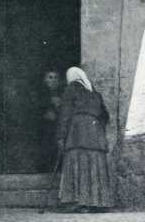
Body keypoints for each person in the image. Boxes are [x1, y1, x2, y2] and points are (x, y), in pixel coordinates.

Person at [56, 67, 113, 212]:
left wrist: (61, 136)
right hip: (95, 134)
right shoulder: (95, 93)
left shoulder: (71, 89)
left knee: (77, 161)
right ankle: (96, 202)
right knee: (94, 164)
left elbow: (65, 114)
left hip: (77, 132)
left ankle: (78, 202)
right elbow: (105, 116)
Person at [38, 70, 64, 172]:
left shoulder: (63, 93)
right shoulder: (39, 94)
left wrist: (59, 107)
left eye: (55, 77)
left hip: (57, 126)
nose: (53, 80)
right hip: (43, 127)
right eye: (50, 77)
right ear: (44, 80)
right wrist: (44, 114)